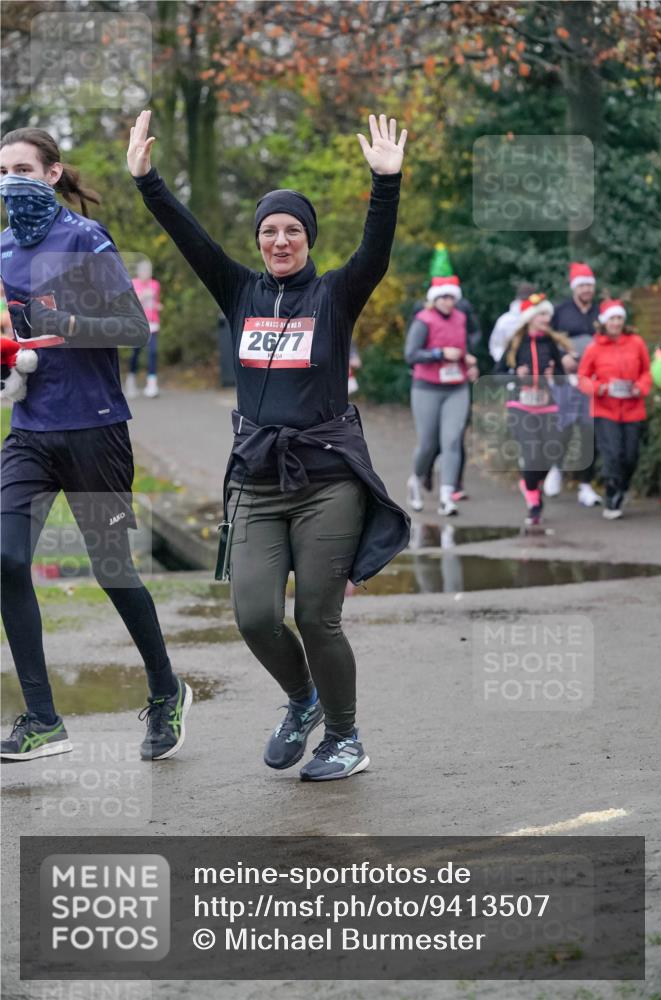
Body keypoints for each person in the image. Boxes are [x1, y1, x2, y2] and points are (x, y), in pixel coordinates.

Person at [127, 109, 410, 781]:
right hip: (256, 479)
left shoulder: (336, 294)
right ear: (258, 241)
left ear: (307, 238)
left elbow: (375, 250)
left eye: (291, 231)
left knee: (317, 617)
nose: (279, 240)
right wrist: (147, 181)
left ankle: (344, 737)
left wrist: (385, 184)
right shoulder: (240, 291)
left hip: (326, 482)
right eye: (269, 231)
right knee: (254, 614)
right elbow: (188, 237)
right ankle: (303, 699)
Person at [0, 127, 192, 762]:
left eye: (23, 169)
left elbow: (135, 328)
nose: (10, 182)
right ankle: (42, 717)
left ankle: (167, 691)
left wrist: (68, 324)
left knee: (113, 569)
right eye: (2, 172)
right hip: (29, 431)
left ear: (52, 174)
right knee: (5, 559)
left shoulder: (86, 240)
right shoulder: (1, 250)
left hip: (95, 429)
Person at [495, 294, 576, 525]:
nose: (547, 318)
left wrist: (554, 377)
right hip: (520, 406)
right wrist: (514, 375)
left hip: (546, 406)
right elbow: (497, 375)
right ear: (530, 317)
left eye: (548, 314)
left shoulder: (550, 343)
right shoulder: (515, 343)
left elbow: (561, 380)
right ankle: (533, 500)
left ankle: (530, 483)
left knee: (550, 453)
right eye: (542, 314)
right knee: (532, 457)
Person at [404, 275, 478, 516]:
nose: (448, 302)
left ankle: (447, 495)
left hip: (456, 387)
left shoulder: (461, 318)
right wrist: (439, 353)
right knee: (428, 444)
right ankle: (415, 481)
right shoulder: (423, 321)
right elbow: (411, 355)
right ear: (434, 299)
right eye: (443, 297)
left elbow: (462, 348)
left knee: (453, 440)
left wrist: (469, 362)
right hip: (427, 387)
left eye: (451, 297)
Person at [578, 300, 652, 519]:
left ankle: (623, 487)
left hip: (632, 407)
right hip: (605, 409)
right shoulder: (594, 348)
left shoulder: (636, 343)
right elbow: (582, 378)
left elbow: (646, 372)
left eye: (619, 318)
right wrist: (600, 388)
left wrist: (640, 387)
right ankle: (612, 493)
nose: (616, 323)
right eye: (612, 318)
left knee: (630, 456)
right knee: (613, 454)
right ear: (604, 322)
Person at [545, 262, 602, 505]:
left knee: (590, 431)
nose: (587, 289)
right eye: (583, 285)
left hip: (593, 381)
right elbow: (548, 341)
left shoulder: (601, 312)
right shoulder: (561, 311)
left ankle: (586, 485)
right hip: (566, 378)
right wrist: (561, 358)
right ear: (574, 288)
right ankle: (556, 469)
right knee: (565, 428)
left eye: (590, 285)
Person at [126, 258, 161, 398]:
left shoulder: (155, 284)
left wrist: (158, 305)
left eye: (148, 271)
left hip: (152, 324)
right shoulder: (133, 283)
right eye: (144, 270)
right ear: (139, 272)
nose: (146, 273)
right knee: (135, 353)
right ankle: (131, 380)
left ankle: (152, 384)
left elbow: (156, 302)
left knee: (152, 353)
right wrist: (142, 296)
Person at [488, 282, 537, 363]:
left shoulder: (540, 318)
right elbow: (496, 346)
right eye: (524, 300)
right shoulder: (505, 320)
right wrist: (505, 362)